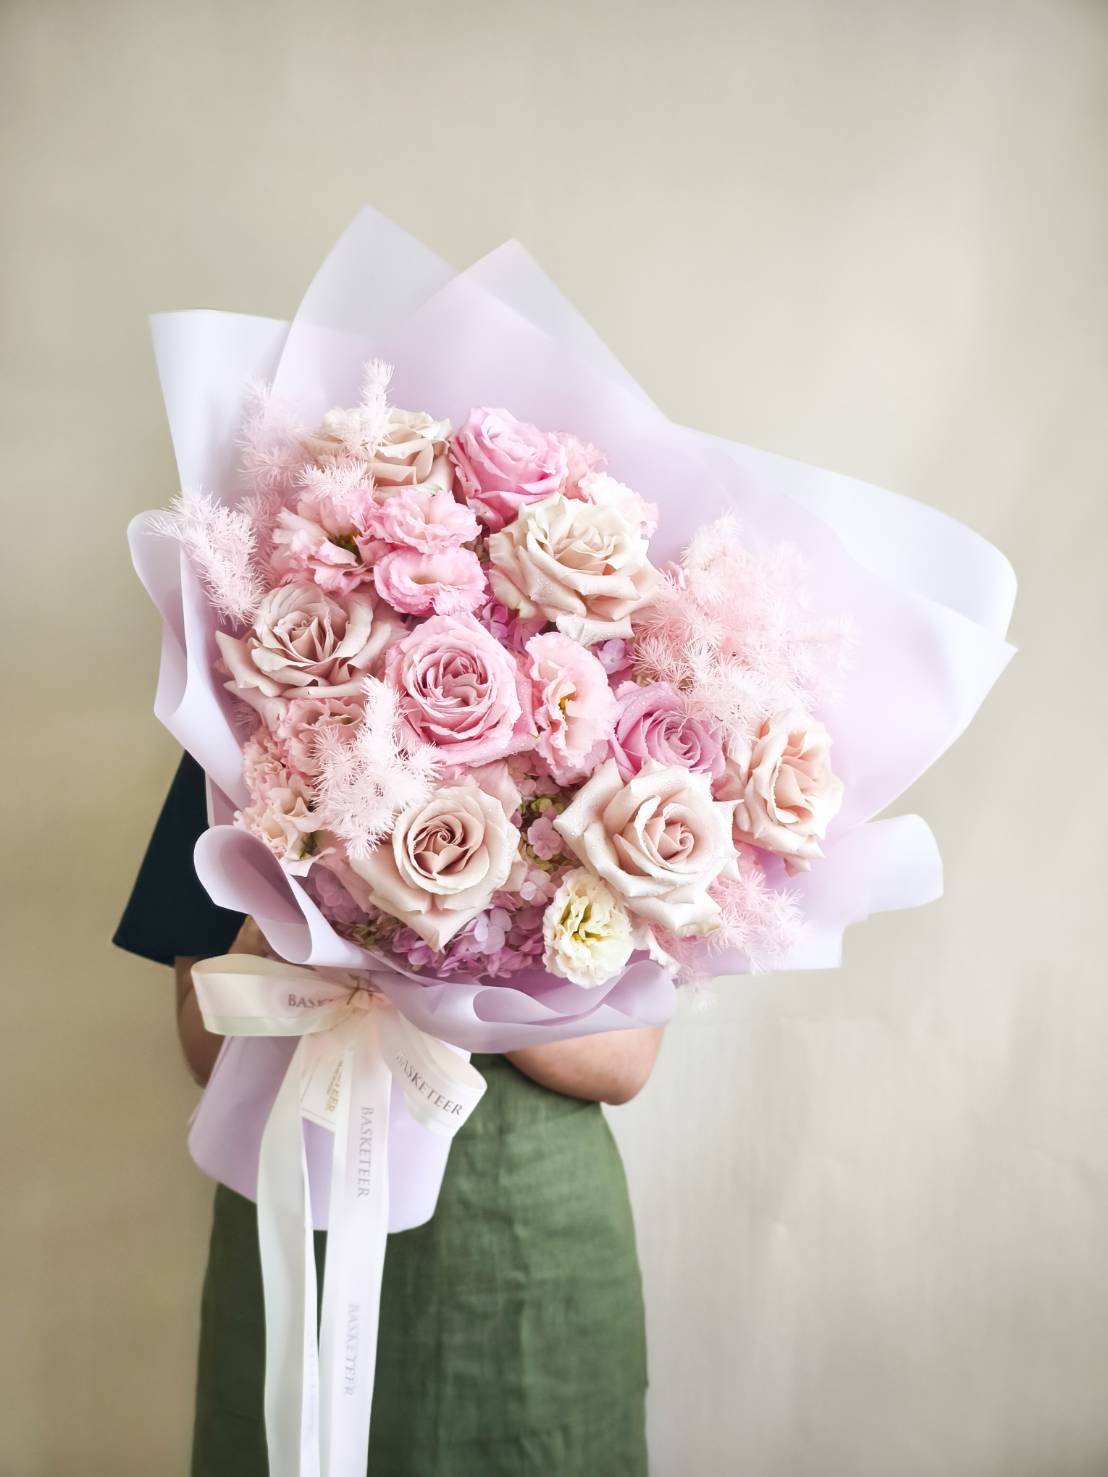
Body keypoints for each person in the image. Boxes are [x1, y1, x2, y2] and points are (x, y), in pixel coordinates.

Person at [114, 753, 664, 1476]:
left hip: (529, 1243)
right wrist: (303, 891)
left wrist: (435, 943)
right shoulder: (249, 732)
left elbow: (624, 1062)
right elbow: (203, 1046)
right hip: (297, 1210)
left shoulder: (602, 739)